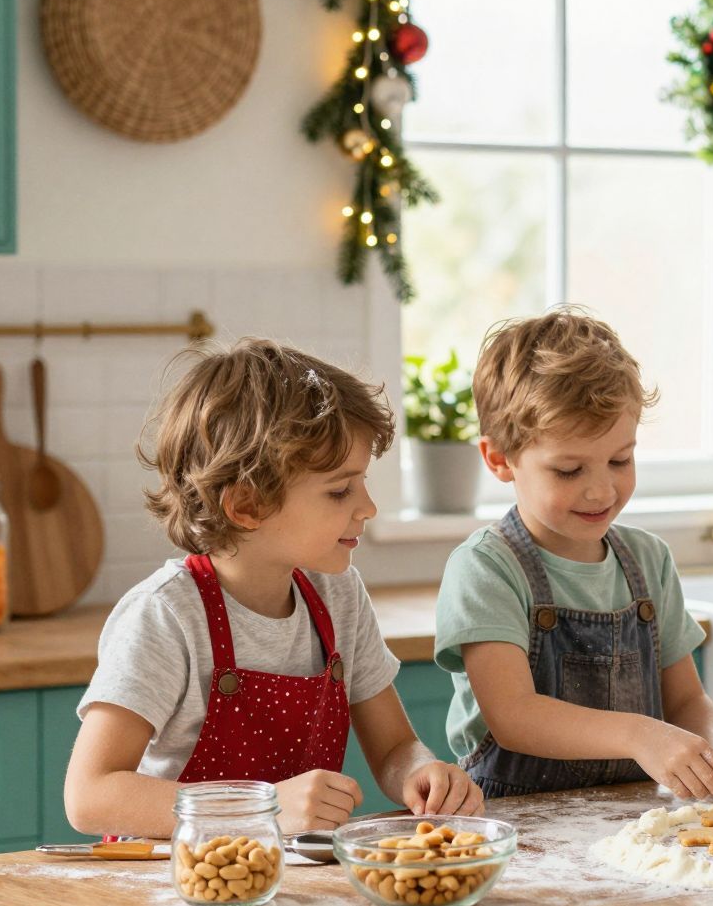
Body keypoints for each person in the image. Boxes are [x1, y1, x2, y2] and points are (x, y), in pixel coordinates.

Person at [66, 339, 481, 838]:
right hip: (175, 888)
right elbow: (90, 795)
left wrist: (420, 772)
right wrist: (261, 808)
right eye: (339, 490)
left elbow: (393, 747)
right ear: (246, 505)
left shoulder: (338, 595)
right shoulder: (166, 616)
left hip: (286, 881)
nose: (367, 506)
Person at [435, 308, 713, 800]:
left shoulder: (648, 561)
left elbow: (685, 698)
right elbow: (514, 716)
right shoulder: (486, 569)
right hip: (520, 825)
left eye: (620, 459)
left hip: (636, 822)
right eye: (569, 470)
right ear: (499, 460)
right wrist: (641, 734)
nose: (601, 490)